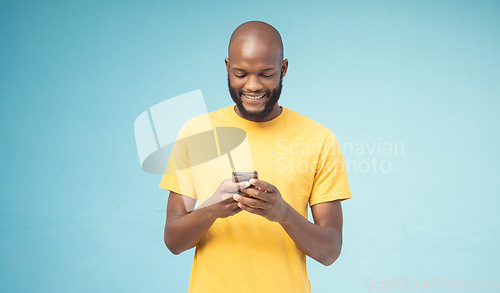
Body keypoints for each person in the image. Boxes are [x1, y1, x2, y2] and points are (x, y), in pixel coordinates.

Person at [160, 21, 352, 293]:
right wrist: (211, 209)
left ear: (283, 69)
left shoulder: (318, 139)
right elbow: (173, 242)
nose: (252, 86)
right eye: (240, 73)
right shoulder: (197, 132)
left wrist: (283, 213)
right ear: (227, 67)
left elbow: (330, 251)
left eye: (266, 74)